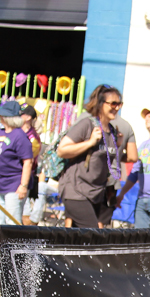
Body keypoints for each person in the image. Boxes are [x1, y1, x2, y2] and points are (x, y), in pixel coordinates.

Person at [56, 84, 122, 228]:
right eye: (113, 103)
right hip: (76, 190)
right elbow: (62, 150)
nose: (116, 107)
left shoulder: (112, 131)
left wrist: (119, 146)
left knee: (79, 241)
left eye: (119, 103)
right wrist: (90, 142)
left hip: (96, 193)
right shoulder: (87, 125)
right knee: (92, 235)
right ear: (100, 104)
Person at [0, 99, 33, 226]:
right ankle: (0, 246)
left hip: (14, 185)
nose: (0, 117)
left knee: (12, 222)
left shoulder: (19, 135)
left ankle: (13, 247)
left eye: (2, 115)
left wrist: (23, 186)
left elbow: (28, 162)